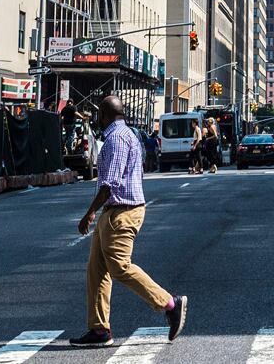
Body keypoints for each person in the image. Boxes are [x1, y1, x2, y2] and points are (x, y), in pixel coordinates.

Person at [72, 95, 187, 348]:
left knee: (120, 268)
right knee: (97, 271)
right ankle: (99, 329)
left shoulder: (116, 139)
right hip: (114, 212)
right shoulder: (129, 134)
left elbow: (109, 184)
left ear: (104, 115)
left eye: (99, 116)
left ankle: (170, 303)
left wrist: (89, 212)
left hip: (121, 212)